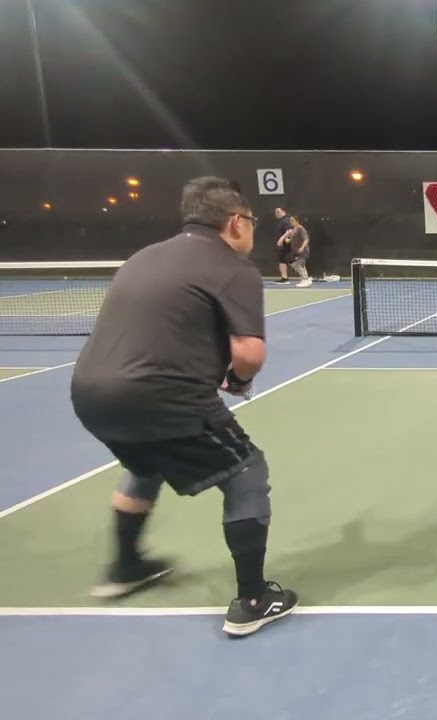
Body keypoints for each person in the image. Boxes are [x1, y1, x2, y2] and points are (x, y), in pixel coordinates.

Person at [69, 176, 299, 637]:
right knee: (247, 472)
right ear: (236, 222)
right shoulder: (234, 268)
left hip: (91, 394)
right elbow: (250, 353)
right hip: (162, 396)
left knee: (145, 463)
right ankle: (253, 600)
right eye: (251, 223)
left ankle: (126, 566)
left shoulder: (143, 257)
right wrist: (237, 380)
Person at [285, 215, 313, 287]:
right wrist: (288, 236)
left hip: (303, 250)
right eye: (290, 220)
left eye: (292, 220)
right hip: (296, 251)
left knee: (298, 264)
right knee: (302, 265)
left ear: (297, 221)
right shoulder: (294, 229)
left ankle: (305, 280)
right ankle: (306, 279)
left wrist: (302, 248)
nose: (291, 222)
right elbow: (288, 240)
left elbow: (306, 239)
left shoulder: (301, 229)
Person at [273, 207, 293, 284]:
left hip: (288, 245)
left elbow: (290, 231)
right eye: (275, 212)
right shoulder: (281, 221)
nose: (276, 214)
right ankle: (284, 278)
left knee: (294, 262)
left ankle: (305, 277)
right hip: (283, 245)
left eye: (278, 212)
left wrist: (282, 239)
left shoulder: (286, 221)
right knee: (282, 260)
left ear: (283, 211)